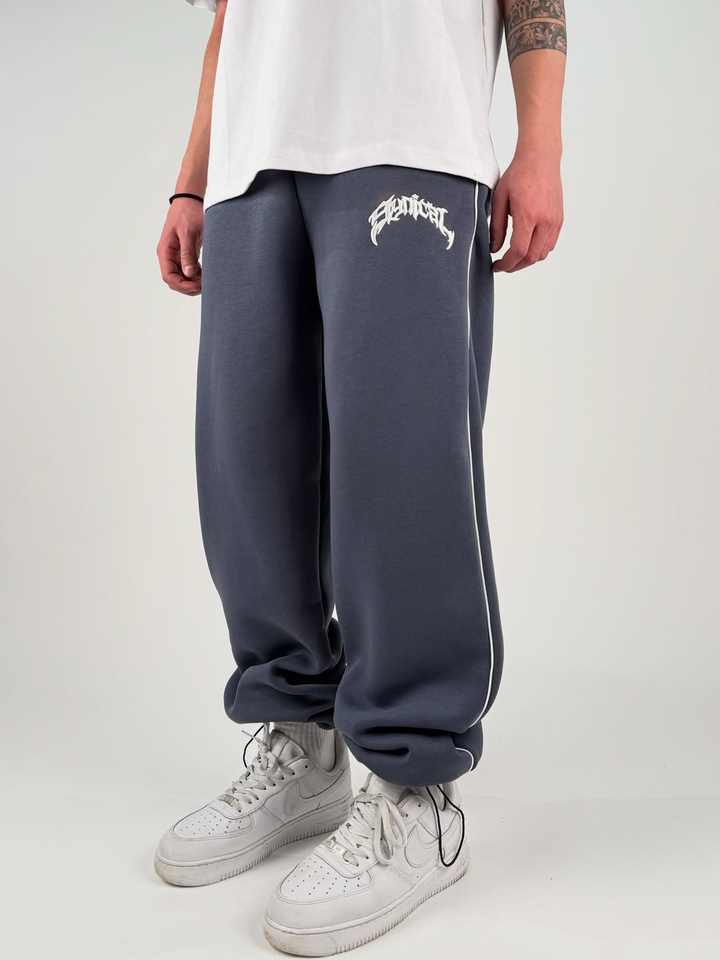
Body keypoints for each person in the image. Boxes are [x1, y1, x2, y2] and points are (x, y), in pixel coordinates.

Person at [154, 1, 566, 953]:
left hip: (411, 132)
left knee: (402, 473)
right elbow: (231, 18)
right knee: (247, 467)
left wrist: (539, 146)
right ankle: (302, 744)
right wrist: (191, 180)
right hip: (252, 159)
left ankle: (418, 790)